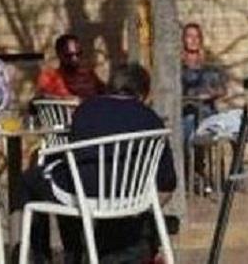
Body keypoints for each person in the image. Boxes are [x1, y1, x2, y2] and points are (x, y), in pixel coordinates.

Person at [15, 63, 176, 263]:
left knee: (32, 180)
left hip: (84, 194)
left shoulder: (86, 109)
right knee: (71, 182)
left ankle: (42, 256)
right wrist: (139, 203)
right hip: (131, 198)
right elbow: (167, 183)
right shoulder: (152, 120)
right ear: (144, 93)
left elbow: (75, 154)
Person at [181, 23, 227, 142]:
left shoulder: (210, 63)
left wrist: (212, 93)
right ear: (183, 39)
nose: (193, 40)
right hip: (186, 112)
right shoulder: (178, 65)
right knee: (189, 123)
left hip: (207, 111)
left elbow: (223, 89)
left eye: (197, 37)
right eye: (189, 36)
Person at [35, 33, 104, 101]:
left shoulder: (88, 74)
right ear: (59, 54)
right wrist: (65, 99)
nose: (75, 59)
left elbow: (105, 93)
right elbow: (39, 99)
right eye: (69, 55)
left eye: (78, 54)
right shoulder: (50, 76)